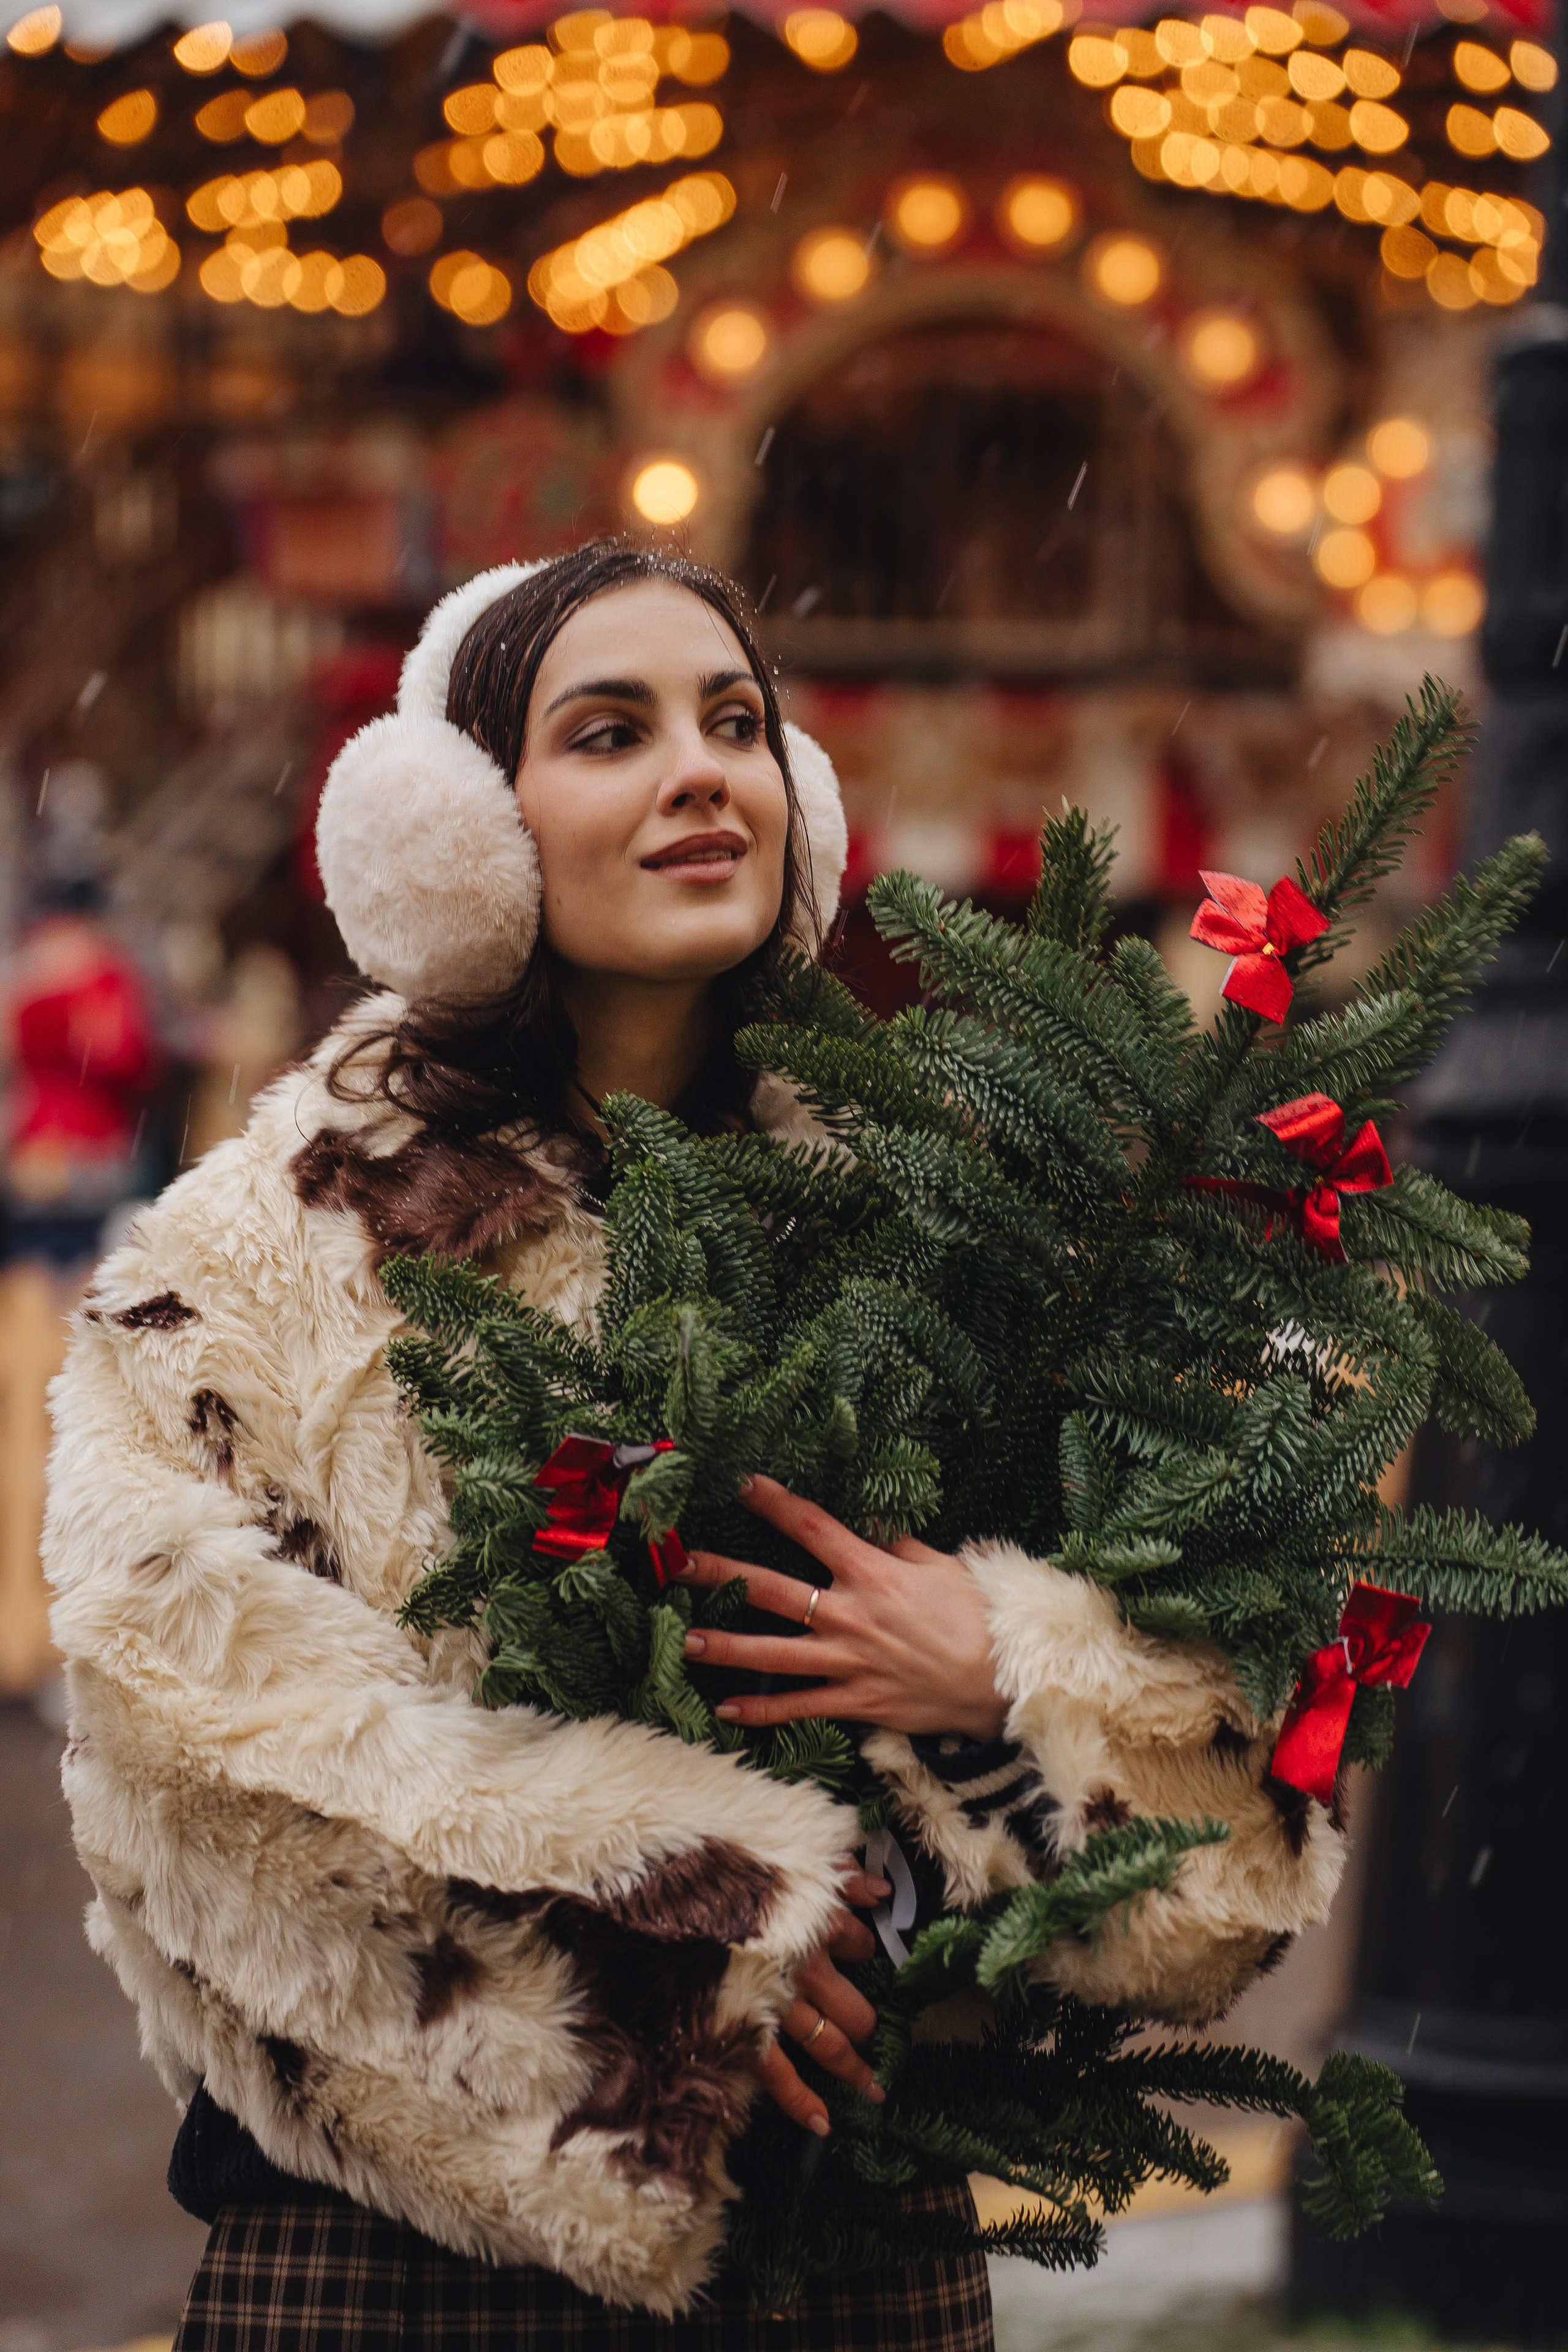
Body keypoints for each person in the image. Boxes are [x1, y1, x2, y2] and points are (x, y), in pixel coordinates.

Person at [44, 543, 1346, 2350]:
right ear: (459, 835)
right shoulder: (254, 1259)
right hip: (394, 2269)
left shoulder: (938, 1225)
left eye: (737, 724)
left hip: (854, 2258)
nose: (702, 772)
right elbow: (190, 1765)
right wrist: (691, 1960)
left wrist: (1014, 1672)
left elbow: (1235, 1765)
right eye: (612, 732)